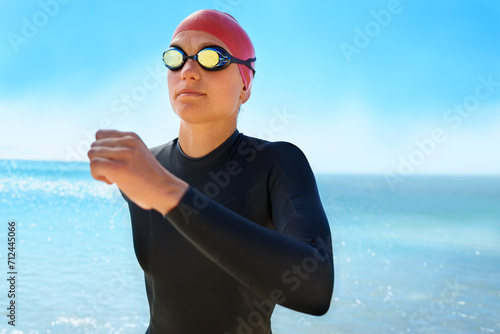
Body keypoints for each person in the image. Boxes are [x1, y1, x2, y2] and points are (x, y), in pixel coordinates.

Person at [88, 9, 334, 334]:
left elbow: (315, 289)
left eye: (211, 57)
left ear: (245, 85)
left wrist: (169, 193)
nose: (188, 70)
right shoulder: (147, 168)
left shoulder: (276, 163)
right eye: (176, 57)